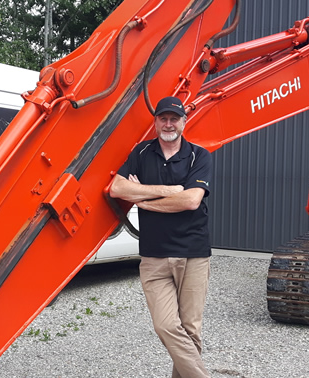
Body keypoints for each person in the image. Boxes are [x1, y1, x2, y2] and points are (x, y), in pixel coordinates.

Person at [110, 96, 213, 378]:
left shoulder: (199, 156)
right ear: (155, 122)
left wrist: (143, 198)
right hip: (154, 255)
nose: (169, 124)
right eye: (163, 118)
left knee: (190, 330)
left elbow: (191, 200)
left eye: (174, 118)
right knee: (166, 326)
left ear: (184, 121)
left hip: (193, 253)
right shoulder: (141, 153)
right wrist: (170, 191)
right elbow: (117, 189)